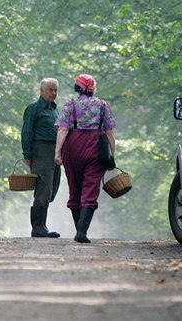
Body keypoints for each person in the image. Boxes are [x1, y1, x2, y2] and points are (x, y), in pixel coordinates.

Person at [54, 74, 115, 243]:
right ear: (93, 88)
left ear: (77, 88)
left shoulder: (70, 104)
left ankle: (78, 229)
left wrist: (57, 152)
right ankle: (82, 231)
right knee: (91, 188)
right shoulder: (103, 105)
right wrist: (112, 154)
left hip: (73, 148)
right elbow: (110, 133)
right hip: (96, 148)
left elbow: (63, 130)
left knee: (75, 187)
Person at [21, 78, 62, 238]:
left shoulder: (55, 110)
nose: (53, 93)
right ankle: (37, 227)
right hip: (41, 151)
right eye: (50, 90)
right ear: (42, 91)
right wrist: (27, 155)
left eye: (55, 90)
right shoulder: (34, 108)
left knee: (52, 188)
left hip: (55, 153)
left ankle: (42, 225)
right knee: (43, 189)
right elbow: (26, 132)